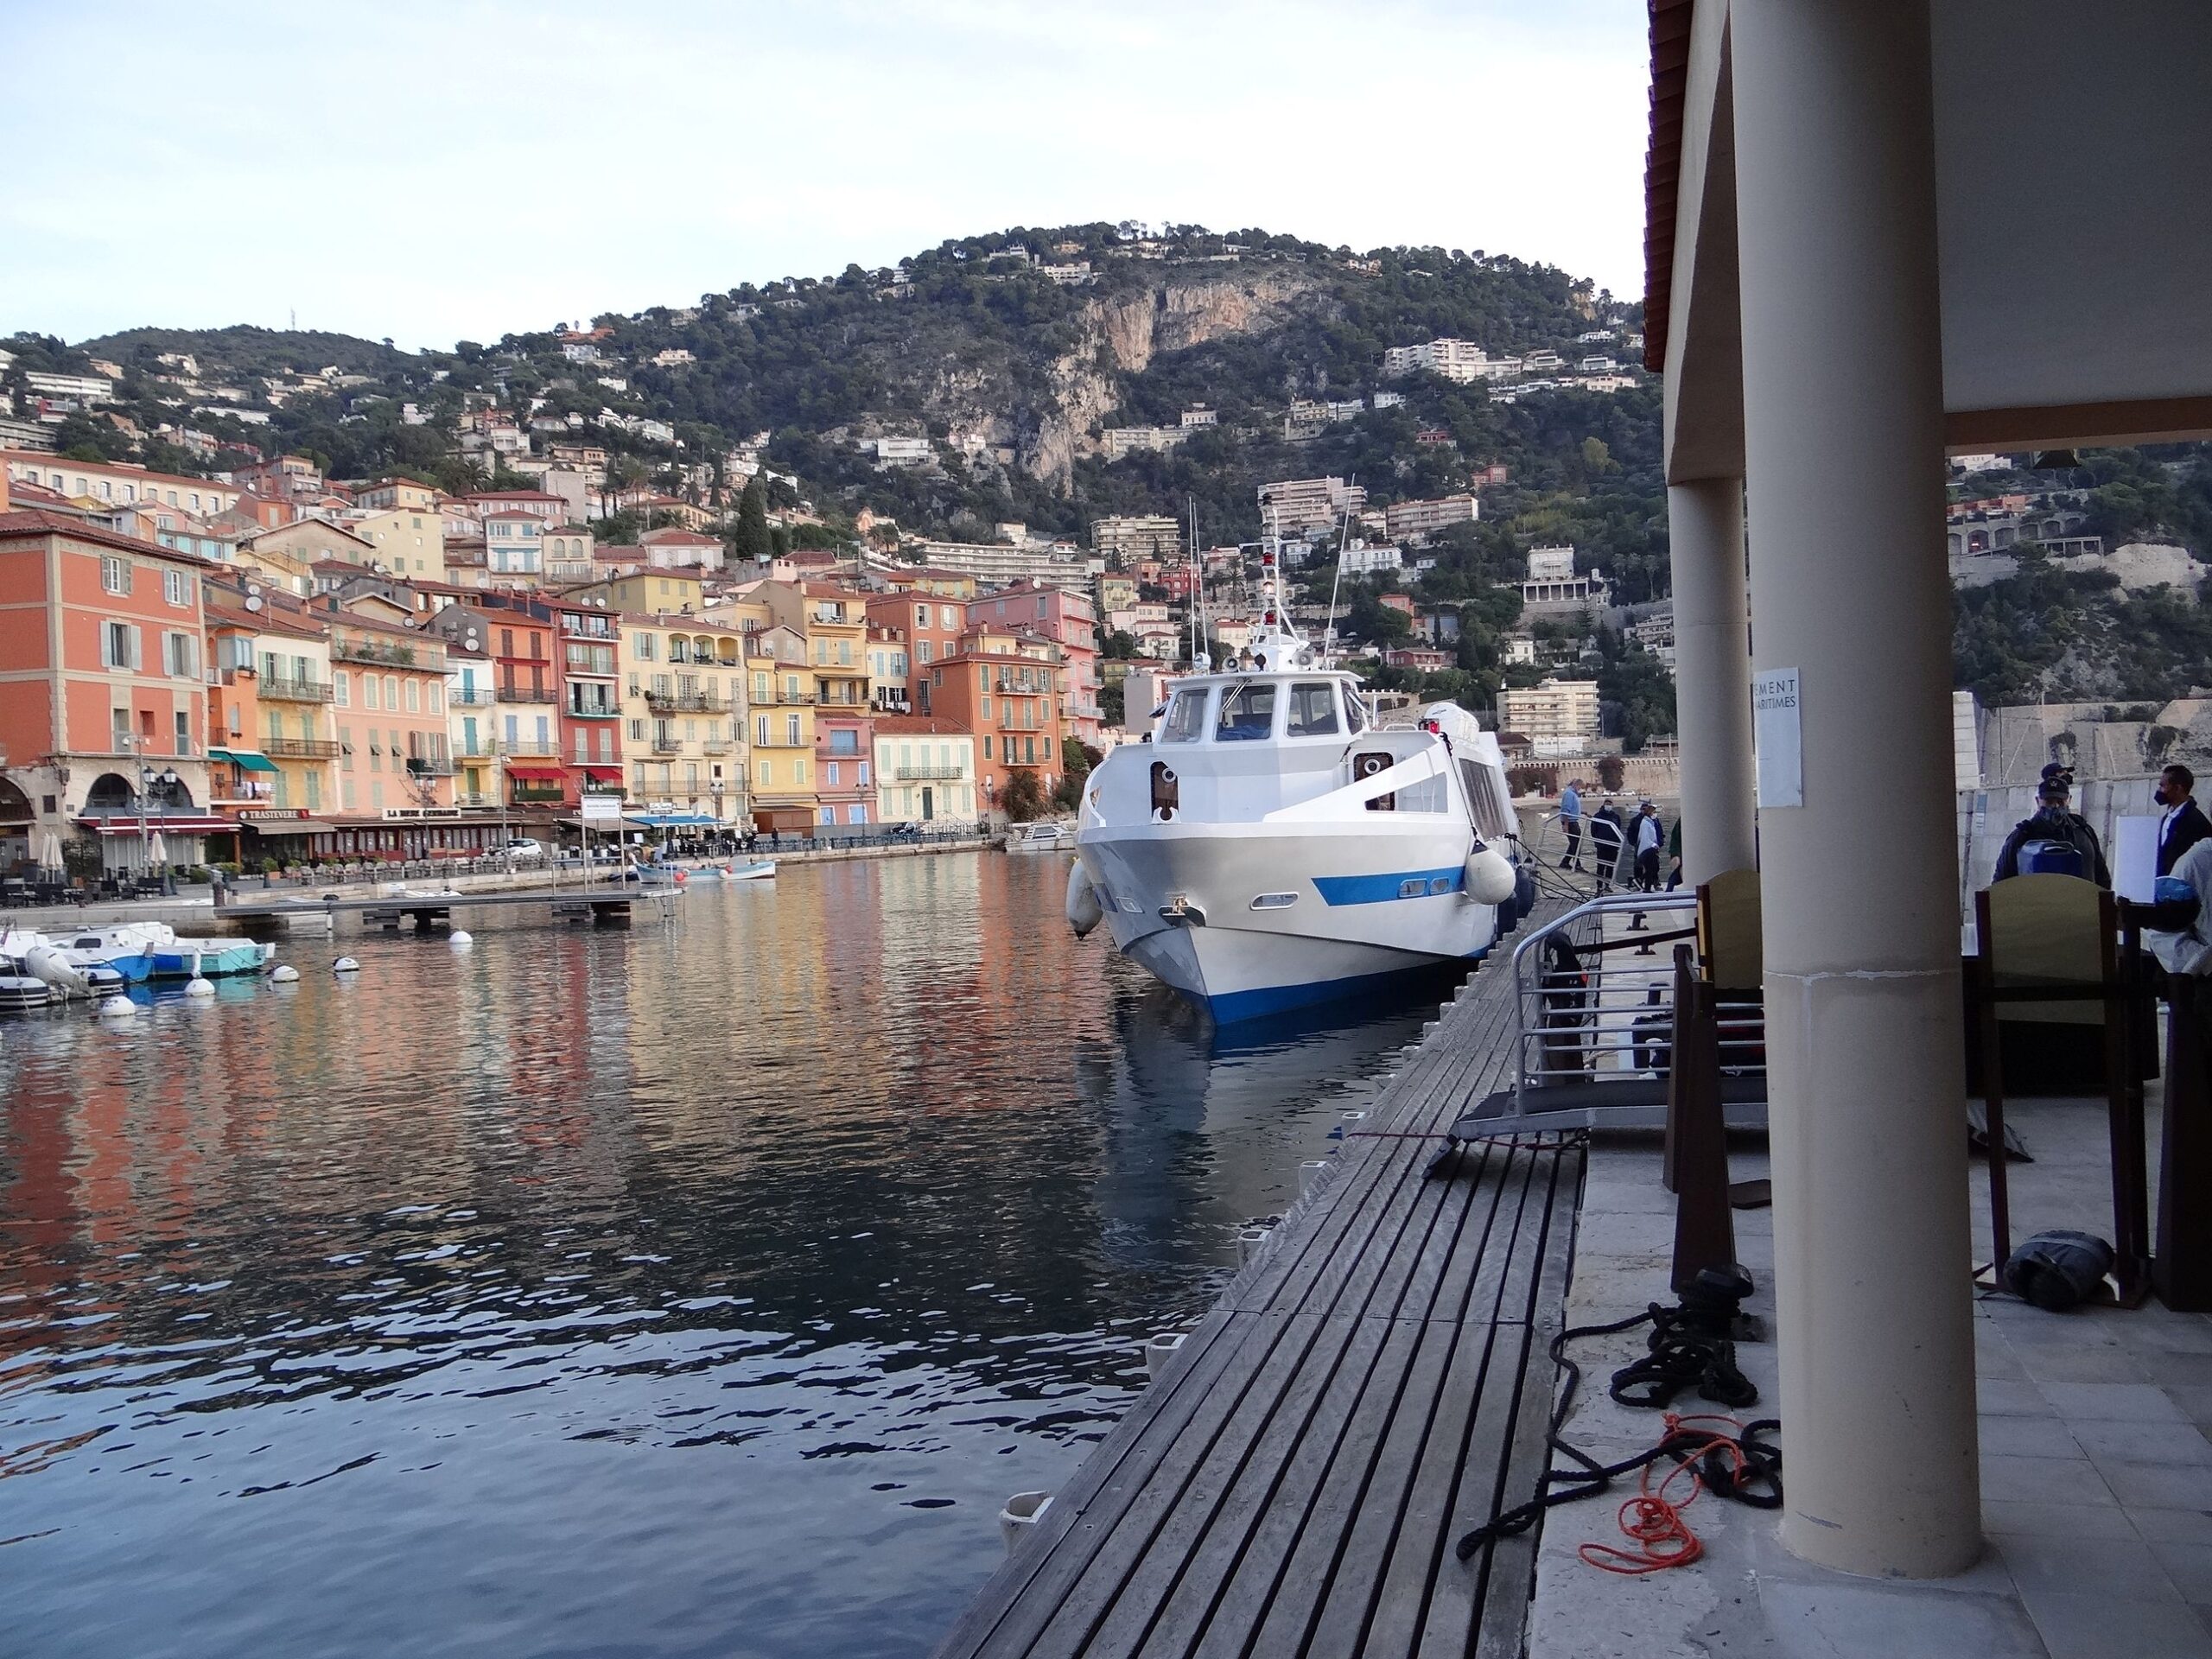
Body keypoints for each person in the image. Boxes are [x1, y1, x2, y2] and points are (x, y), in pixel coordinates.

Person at [1994, 773, 2110, 885]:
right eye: (2049, 801)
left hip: (2080, 897)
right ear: (2038, 801)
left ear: (2069, 800)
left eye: (2060, 801)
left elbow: (2102, 877)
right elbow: (2001, 882)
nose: (2055, 806)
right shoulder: (2022, 837)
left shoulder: (2083, 831)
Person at [2156, 763, 2212, 877]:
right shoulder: (2167, 817)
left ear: (2178, 788)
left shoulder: (2195, 821)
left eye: (2163, 786)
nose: (2160, 790)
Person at [1591, 796, 1627, 890]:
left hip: (1613, 845)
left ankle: (1607, 885)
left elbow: (1618, 829)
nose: (1608, 805)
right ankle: (1599, 886)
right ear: (1604, 804)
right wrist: (1597, 842)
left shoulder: (1616, 817)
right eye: (1607, 803)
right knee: (1601, 867)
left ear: (1612, 805)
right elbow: (1593, 830)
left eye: (1610, 804)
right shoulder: (1597, 816)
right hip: (1602, 846)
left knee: (1610, 867)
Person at [1632, 801, 1664, 893]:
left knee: (1652, 868)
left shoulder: (1650, 822)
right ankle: (1642, 883)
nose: (1655, 814)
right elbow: (1645, 838)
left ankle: (1645, 886)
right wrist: (1654, 845)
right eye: (1654, 812)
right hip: (1648, 850)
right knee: (1652, 868)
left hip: (1651, 849)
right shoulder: (1645, 823)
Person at [1558, 779, 1585, 870]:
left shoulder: (1572, 794)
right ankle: (1577, 864)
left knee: (1574, 843)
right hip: (1570, 822)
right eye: (1580, 787)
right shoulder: (1569, 794)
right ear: (1576, 785)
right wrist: (1566, 825)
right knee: (1576, 843)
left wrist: (1583, 813)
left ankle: (1565, 862)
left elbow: (1573, 808)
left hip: (1572, 821)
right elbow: (1566, 809)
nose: (1580, 789)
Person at [1665, 812, 1685, 891]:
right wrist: (1675, 854)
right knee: (1674, 878)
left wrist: (1675, 854)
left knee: (1674, 879)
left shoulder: (1682, 820)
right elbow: (1676, 838)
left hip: (1684, 855)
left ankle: (1668, 894)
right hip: (1684, 856)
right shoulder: (1682, 820)